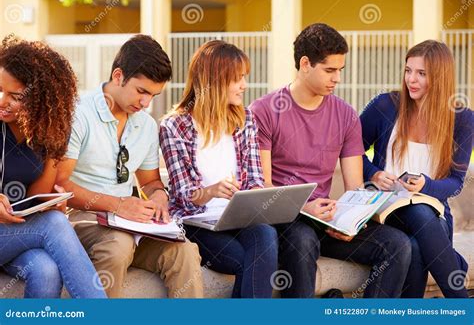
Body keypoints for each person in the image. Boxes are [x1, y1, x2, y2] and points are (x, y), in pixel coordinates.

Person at [250, 23, 412, 298]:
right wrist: (306, 207)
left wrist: (352, 221)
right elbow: (263, 187)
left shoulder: (346, 115)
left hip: (327, 221)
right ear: (304, 64)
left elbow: (354, 188)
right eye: (329, 70)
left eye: (340, 70)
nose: (337, 78)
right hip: (285, 219)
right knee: (303, 239)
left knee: (398, 245)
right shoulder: (265, 110)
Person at [55, 34, 203, 298]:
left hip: (130, 223)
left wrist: (158, 198)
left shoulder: (145, 125)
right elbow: (61, 185)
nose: (146, 103)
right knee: (117, 246)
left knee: (185, 252)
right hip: (84, 219)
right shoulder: (78, 114)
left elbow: (149, 182)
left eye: (153, 95)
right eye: (142, 91)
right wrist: (119, 205)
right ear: (118, 76)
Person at [159, 40, 278, 298]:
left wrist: (255, 198)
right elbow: (182, 195)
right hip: (196, 223)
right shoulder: (174, 127)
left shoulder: (245, 121)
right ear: (214, 80)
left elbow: (256, 180)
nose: (244, 86)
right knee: (245, 260)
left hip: (238, 219)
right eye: (237, 79)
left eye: (244, 77)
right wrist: (211, 191)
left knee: (266, 234)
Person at [360, 40, 472, 298]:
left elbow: (455, 182)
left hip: (433, 215)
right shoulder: (385, 106)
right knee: (421, 217)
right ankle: (462, 304)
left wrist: (425, 185)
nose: (411, 79)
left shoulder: (463, 120)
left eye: (421, 73)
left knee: (418, 235)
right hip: (384, 208)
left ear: (440, 77)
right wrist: (373, 174)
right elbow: (351, 150)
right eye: (408, 70)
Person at [0, 35, 106, 298]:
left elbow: (35, 196)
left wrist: (49, 201)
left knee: (46, 270)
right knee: (55, 224)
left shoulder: (48, 131)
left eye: (14, 96)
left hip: (11, 234)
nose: (2, 100)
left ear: (39, 98)